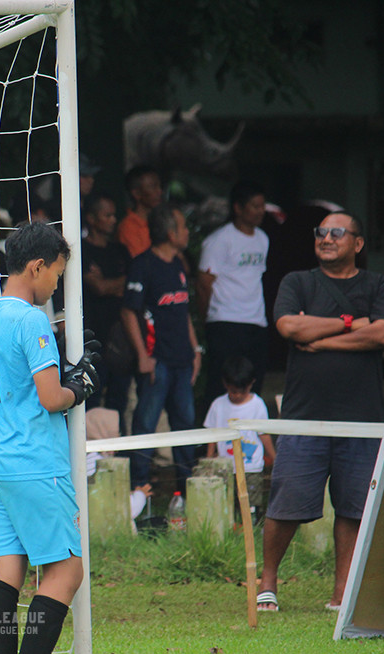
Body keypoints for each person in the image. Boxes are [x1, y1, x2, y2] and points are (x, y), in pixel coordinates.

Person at [0, 221, 100, 654]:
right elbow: (49, 398)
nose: (57, 284)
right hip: (33, 462)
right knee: (67, 571)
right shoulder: (32, 319)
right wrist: (81, 386)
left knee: (8, 569)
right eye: (57, 275)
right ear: (37, 266)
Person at [258, 212, 384, 613]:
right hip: (305, 414)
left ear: (358, 243)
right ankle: (267, 582)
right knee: (287, 501)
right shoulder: (298, 282)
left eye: (337, 232)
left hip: (361, 416)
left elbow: (382, 334)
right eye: (320, 232)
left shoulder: (379, 285)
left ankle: (342, 594)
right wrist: (347, 323)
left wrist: (322, 339)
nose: (326, 238)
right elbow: (289, 327)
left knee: (354, 506)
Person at [123, 203, 202, 491]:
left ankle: (185, 492)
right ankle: (139, 491)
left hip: (183, 361)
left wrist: (196, 351)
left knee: (185, 427)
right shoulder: (142, 265)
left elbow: (184, 311)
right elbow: (129, 312)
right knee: (145, 425)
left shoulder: (179, 263)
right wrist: (143, 357)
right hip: (156, 362)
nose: (186, 233)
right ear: (171, 232)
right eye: (182, 227)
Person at [197, 180, 270, 407]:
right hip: (225, 322)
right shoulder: (219, 240)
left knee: (253, 384)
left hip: (256, 321)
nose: (261, 211)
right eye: (254, 206)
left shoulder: (262, 238)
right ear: (238, 208)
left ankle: (247, 437)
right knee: (221, 385)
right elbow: (204, 283)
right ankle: (215, 439)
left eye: (262, 206)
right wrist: (206, 319)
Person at [81, 193, 132, 431]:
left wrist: (108, 283)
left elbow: (131, 286)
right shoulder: (81, 250)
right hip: (93, 340)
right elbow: (98, 288)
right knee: (91, 399)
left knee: (118, 401)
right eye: (107, 215)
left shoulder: (120, 251)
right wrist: (114, 285)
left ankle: (116, 455)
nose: (113, 220)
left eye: (114, 214)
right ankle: (90, 457)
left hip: (121, 341)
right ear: (91, 219)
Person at [202, 355, 276, 519]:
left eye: (242, 391)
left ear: (251, 384)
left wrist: (273, 457)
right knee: (226, 503)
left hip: (251, 467)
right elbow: (212, 434)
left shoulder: (257, 405)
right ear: (225, 384)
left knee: (251, 504)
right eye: (233, 391)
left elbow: (263, 433)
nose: (237, 395)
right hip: (225, 467)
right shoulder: (218, 405)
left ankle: (251, 526)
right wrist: (209, 460)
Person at [116, 165, 163, 259]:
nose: (159, 191)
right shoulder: (128, 227)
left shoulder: (160, 221)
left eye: (159, 186)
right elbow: (141, 262)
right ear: (137, 194)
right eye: (153, 187)